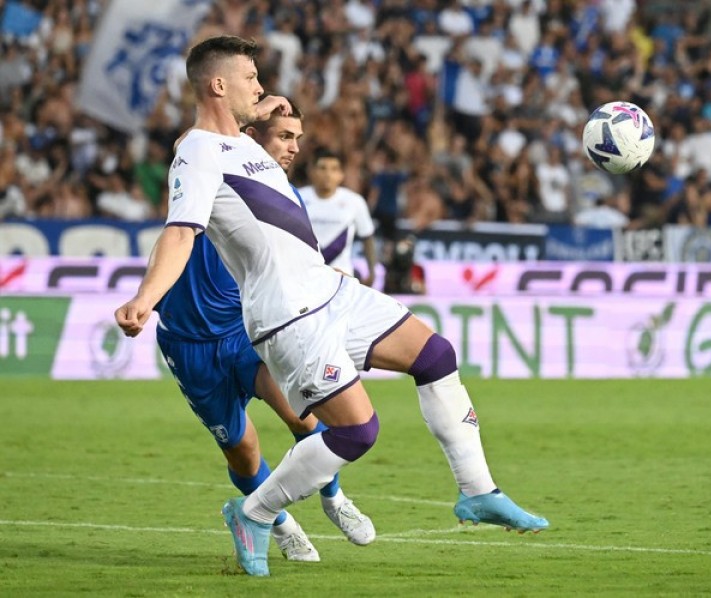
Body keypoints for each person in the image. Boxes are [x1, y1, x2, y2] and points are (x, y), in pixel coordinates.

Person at [115, 35, 548, 578]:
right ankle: (255, 512)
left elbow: (231, 126)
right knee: (356, 432)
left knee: (436, 355)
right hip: (286, 314)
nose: (263, 86)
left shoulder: (242, 144)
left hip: (330, 290)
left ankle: (478, 491)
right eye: (251, 78)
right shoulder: (197, 152)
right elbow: (180, 232)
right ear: (219, 86)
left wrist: (259, 112)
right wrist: (144, 299)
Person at [153, 102, 375, 563]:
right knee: (243, 450)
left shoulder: (289, 196)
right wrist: (249, 107)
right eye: (283, 138)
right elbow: (187, 141)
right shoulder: (206, 163)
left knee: (304, 419)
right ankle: (278, 522)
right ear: (250, 137)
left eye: (297, 140)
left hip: (245, 327)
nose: (293, 149)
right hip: (189, 341)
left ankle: (334, 497)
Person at [297, 148, 377, 285]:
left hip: (342, 276)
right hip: (304, 275)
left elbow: (367, 237)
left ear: (341, 175)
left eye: (334, 169)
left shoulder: (354, 201)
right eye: (322, 168)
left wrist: (372, 271)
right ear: (312, 172)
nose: (328, 174)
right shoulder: (298, 197)